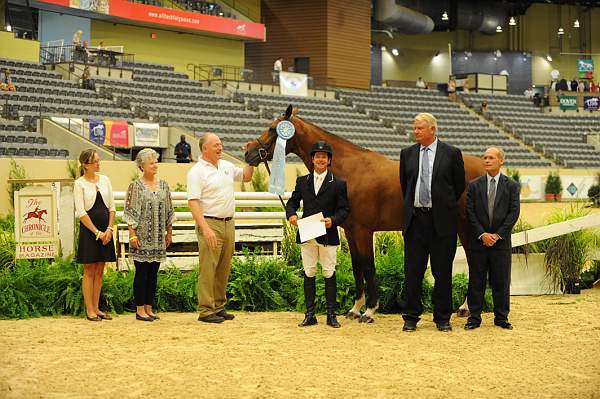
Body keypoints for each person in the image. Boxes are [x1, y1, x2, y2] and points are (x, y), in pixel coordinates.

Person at [399, 112, 465, 332]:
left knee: (442, 272)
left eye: (419, 128)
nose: (415, 131)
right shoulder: (406, 154)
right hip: (415, 222)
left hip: (442, 223)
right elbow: (405, 186)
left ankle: (443, 318)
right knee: (413, 272)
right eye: (414, 128)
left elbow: (458, 186)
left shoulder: (452, 153)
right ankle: (410, 317)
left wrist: (441, 205)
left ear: (432, 130)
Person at [187, 133, 253, 323]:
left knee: (224, 266)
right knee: (209, 267)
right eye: (216, 145)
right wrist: (205, 228)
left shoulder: (227, 166)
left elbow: (247, 177)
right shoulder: (197, 171)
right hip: (210, 222)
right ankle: (206, 310)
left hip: (228, 222)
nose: (220, 147)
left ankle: (218, 305)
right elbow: (193, 202)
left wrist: (251, 157)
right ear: (204, 148)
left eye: (221, 144)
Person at [286, 140, 350, 328]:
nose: (321, 159)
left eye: (324, 157)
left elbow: (344, 209)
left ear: (329, 160)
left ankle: (331, 315)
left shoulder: (338, 184)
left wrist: (334, 220)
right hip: (307, 232)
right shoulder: (302, 181)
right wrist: (291, 215)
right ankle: (310, 314)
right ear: (312, 159)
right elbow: (292, 203)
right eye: (318, 156)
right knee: (309, 272)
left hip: (327, 233)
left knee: (329, 272)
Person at [465, 147, 520, 330]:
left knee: (501, 281)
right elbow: (470, 213)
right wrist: (482, 234)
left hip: (500, 243)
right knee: (476, 280)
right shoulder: (474, 185)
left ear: (501, 161)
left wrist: (497, 235)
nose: (486, 160)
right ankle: (474, 318)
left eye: (491, 158)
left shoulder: (511, 186)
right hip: (478, 242)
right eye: (485, 157)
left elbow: (513, 213)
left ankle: (501, 318)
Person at [124, 149, 175, 322]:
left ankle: (149, 307)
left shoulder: (164, 185)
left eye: (156, 161)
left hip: (158, 238)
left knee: (153, 273)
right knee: (141, 273)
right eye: (151, 162)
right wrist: (132, 235)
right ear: (142, 166)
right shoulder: (135, 186)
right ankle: (139, 309)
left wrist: (169, 232)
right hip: (141, 237)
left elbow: (169, 210)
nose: (155, 165)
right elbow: (130, 212)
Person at [74, 149, 116, 321]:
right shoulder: (79, 183)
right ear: (85, 165)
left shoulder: (105, 180)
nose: (99, 164)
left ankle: (97, 308)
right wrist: (97, 232)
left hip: (106, 231)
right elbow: (81, 212)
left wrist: (109, 229)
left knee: (100, 269)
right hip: (90, 231)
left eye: (99, 160)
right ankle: (89, 309)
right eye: (95, 161)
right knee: (89, 269)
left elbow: (112, 207)